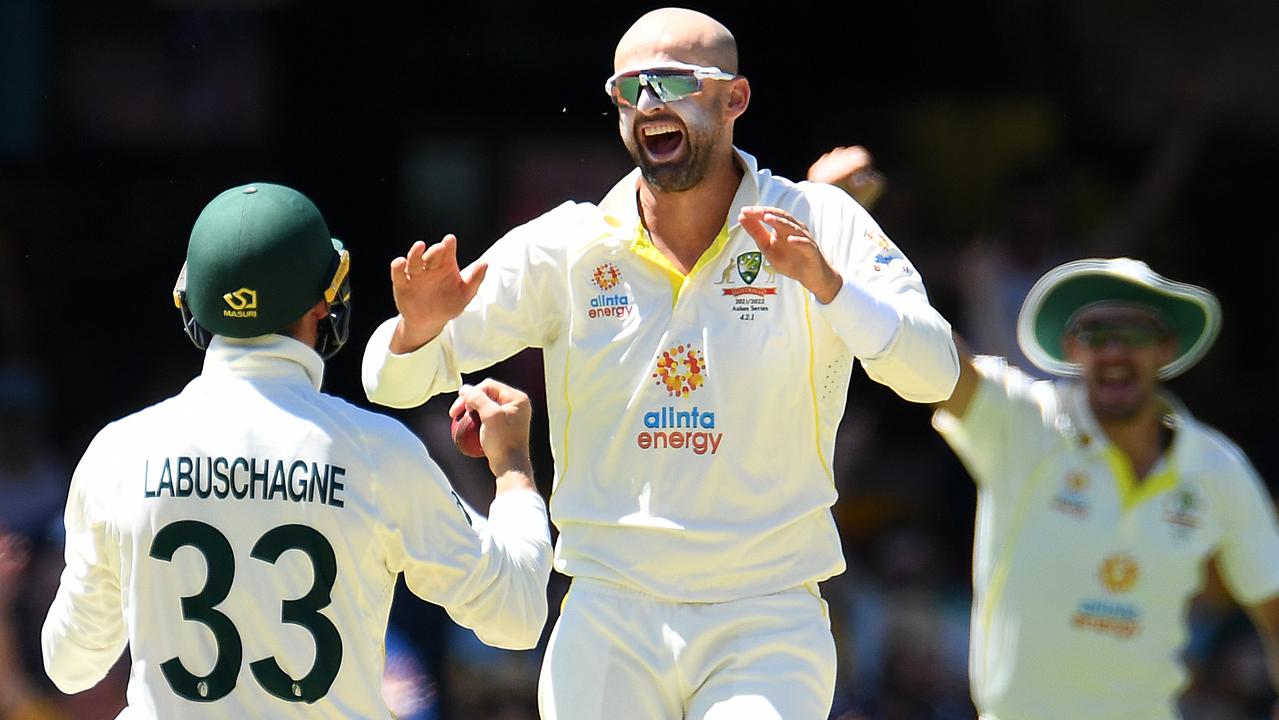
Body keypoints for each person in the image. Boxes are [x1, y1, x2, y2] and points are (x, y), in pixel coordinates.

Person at [362, 8, 959, 718]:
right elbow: (387, 380)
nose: (648, 102)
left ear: (734, 99)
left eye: (673, 80)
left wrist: (827, 284)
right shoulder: (570, 243)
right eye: (629, 87)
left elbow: (936, 374)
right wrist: (418, 328)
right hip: (607, 615)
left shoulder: (819, 222)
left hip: (765, 617)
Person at [41, 183, 553, 719]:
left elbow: (71, 665)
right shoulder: (377, 453)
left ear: (192, 299)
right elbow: (515, 615)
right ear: (322, 302)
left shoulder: (119, 451)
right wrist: (512, 465)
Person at [930, 257, 1279, 719]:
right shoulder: (1027, 423)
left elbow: (1273, 605)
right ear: (1072, 347)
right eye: (1096, 336)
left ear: (1166, 348)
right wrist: (846, 232)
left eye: (1134, 335)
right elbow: (932, 362)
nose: (1115, 352)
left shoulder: (1218, 467)